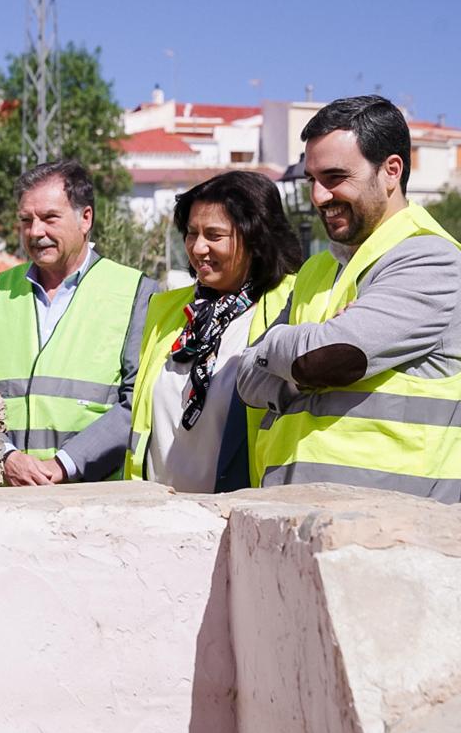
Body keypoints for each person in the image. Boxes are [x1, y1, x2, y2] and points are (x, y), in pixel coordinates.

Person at [237, 95, 461, 502]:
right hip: (292, 517)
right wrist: (303, 357)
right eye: (312, 180)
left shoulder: (431, 259)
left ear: (391, 171)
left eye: (336, 177)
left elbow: (329, 356)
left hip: (393, 529)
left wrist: (284, 349)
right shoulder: (315, 271)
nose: (319, 196)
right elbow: (247, 378)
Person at [0, 160, 157, 485]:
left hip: (95, 503)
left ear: (85, 218)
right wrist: (5, 457)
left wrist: (65, 465)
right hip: (0, 498)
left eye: (50, 218)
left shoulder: (135, 292)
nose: (36, 232)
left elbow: (139, 402)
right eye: (26, 220)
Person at [125, 171, 302, 492]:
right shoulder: (165, 310)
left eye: (214, 235)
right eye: (192, 233)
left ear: (255, 238)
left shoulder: (293, 304)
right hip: (156, 513)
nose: (198, 247)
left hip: (243, 514)